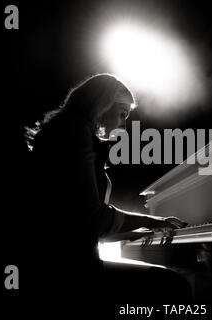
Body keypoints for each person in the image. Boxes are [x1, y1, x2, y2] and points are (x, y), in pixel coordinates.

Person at [22, 73, 191, 310]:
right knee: (173, 284)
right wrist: (150, 221)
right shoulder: (75, 131)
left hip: (57, 261)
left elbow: (76, 224)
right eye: (122, 114)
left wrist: (138, 229)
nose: (123, 125)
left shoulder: (64, 130)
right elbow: (93, 220)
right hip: (66, 271)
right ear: (102, 103)